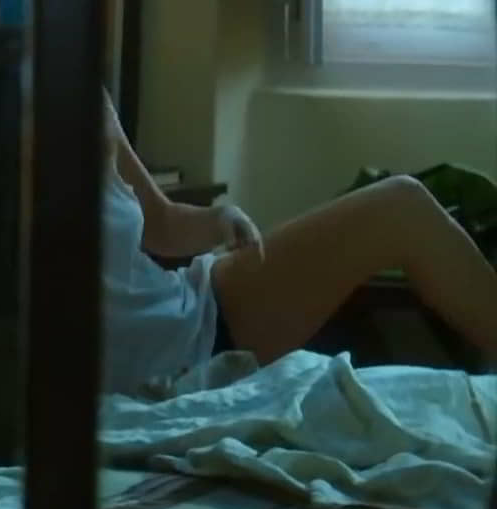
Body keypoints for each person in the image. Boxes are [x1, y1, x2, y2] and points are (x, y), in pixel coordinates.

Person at [101, 90, 497, 393]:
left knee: (402, 203)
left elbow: (163, 223)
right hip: (166, 362)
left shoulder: (90, 96)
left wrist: (221, 218)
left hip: (193, 310)